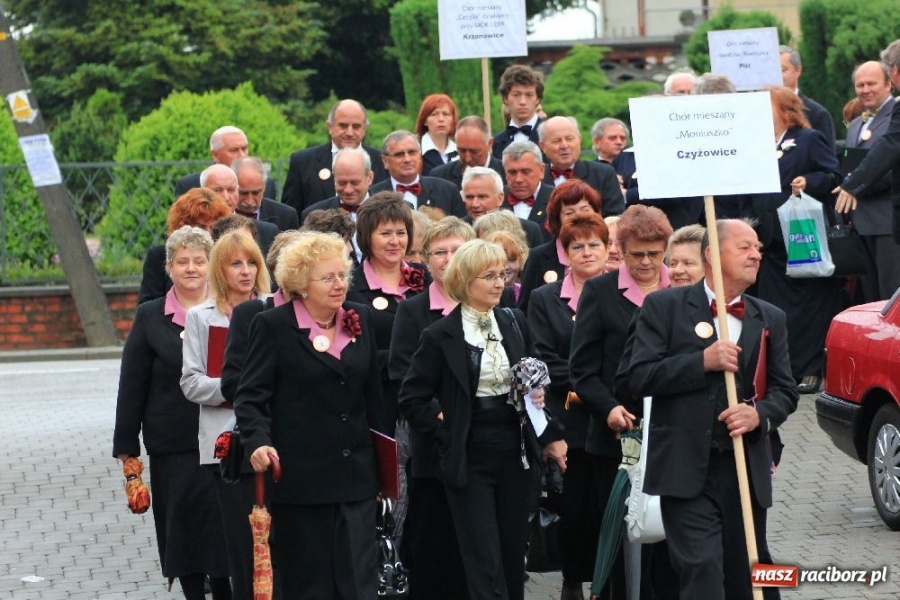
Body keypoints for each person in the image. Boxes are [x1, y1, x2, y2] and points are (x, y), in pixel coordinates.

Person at [625, 219, 798, 600]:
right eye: (744, 247)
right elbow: (638, 377)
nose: (756, 255)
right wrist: (700, 362)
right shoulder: (664, 307)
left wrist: (759, 415)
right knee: (701, 568)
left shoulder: (770, 317)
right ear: (712, 256)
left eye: (757, 248)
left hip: (744, 470)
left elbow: (786, 391)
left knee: (744, 577)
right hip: (685, 469)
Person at [398, 239, 567, 600]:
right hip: (469, 450)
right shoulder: (439, 334)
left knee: (511, 554)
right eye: (488, 276)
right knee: (482, 555)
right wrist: (445, 426)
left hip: (515, 449)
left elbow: (535, 374)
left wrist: (542, 410)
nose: (499, 283)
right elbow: (412, 397)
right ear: (465, 280)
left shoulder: (513, 321)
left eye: (502, 275)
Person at [234, 232, 387, 598]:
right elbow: (251, 397)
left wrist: (385, 472)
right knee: (309, 586)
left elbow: (375, 398)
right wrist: (257, 441)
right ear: (302, 284)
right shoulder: (272, 325)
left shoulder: (359, 318)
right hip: (302, 484)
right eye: (327, 278)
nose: (339, 284)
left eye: (342, 275)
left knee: (360, 586)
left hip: (356, 480)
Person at [113, 226, 231, 600]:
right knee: (182, 531)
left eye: (199, 261)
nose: (191, 268)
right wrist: (127, 451)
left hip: (224, 438)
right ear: (169, 267)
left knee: (221, 530)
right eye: (182, 262)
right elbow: (132, 384)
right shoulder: (150, 316)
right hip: (173, 444)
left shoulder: (229, 310)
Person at [569, 204, 673, 600]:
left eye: (654, 254)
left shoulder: (682, 290)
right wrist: (608, 407)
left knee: (669, 540)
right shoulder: (600, 292)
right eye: (636, 254)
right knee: (619, 542)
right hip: (615, 438)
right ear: (621, 251)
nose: (646, 262)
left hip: (670, 434)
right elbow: (582, 369)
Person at [388, 217, 476, 600]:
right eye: (439, 252)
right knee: (434, 548)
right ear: (425, 260)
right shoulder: (413, 311)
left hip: (486, 447)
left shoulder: (495, 304)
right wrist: (447, 416)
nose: (448, 259)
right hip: (434, 447)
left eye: (457, 250)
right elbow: (402, 374)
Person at [180, 229, 271, 599]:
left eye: (252, 263)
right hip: (226, 444)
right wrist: (236, 388)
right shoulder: (200, 317)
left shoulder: (272, 309)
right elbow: (190, 383)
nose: (246, 271)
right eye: (236, 264)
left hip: (269, 437)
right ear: (220, 269)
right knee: (240, 543)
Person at [527, 214, 608, 600]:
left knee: (609, 507)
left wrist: (607, 394)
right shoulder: (545, 298)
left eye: (595, 244)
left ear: (608, 249)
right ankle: (573, 579)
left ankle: (609, 581)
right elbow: (543, 357)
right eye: (578, 246)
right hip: (569, 417)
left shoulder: (618, 293)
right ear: (564, 252)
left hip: (612, 417)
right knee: (574, 509)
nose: (587, 252)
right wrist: (590, 388)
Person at [744, 86, 842, 394]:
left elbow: (833, 175)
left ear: (785, 110)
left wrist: (808, 181)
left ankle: (810, 368)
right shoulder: (755, 143)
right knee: (775, 308)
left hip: (803, 238)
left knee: (810, 307)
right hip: (769, 242)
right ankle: (781, 370)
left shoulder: (808, 139)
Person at [346, 192, 429, 429]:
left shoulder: (426, 277)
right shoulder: (349, 287)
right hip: (379, 403)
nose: (395, 241)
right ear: (366, 237)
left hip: (428, 401)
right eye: (385, 233)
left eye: (401, 233)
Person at [838, 61, 900, 302]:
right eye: (860, 85)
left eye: (871, 84)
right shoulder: (855, 124)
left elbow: (890, 164)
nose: (865, 90)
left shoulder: (895, 116)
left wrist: (855, 185)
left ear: (888, 84)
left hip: (887, 222)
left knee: (890, 294)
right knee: (871, 299)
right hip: (861, 222)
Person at [281, 99, 388, 214]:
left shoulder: (382, 162)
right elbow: (289, 215)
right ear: (329, 126)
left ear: (364, 129)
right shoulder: (303, 162)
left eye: (356, 126)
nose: (349, 132)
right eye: (343, 126)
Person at [517, 179, 604, 311]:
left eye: (585, 210)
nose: (578, 217)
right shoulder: (538, 257)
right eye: (569, 213)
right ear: (557, 219)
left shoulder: (606, 251)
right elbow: (525, 310)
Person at [138, 188, 232, 305]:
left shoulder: (227, 256)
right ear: (182, 225)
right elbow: (147, 305)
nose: (208, 233)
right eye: (201, 227)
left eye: (213, 227)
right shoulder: (159, 256)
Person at [538, 116, 625, 217]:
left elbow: (614, 217)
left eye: (569, 139)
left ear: (579, 139)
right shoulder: (536, 177)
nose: (564, 145)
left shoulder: (603, 174)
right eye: (557, 141)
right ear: (543, 146)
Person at [368, 130, 467, 218]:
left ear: (420, 155)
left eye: (412, 152)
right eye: (399, 154)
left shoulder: (447, 190)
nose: (407, 159)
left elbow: (462, 229)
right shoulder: (373, 196)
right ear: (385, 160)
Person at [174, 125, 277, 200]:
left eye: (244, 149)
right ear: (215, 155)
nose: (242, 155)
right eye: (234, 150)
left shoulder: (265, 183)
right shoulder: (190, 185)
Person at [203, 163, 279, 255]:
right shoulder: (195, 229)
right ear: (202, 191)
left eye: (231, 190)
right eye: (217, 190)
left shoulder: (265, 232)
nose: (226, 197)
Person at [461, 166, 544, 248]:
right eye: (469, 197)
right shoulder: (458, 231)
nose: (475, 204)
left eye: (482, 197)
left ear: (500, 198)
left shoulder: (529, 230)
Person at [780, 45, 836, 151]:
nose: (776, 75)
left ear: (798, 71)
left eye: (782, 70)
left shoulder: (817, 114)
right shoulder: (761, 112)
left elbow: (826, 158)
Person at [431, 116, 507, 190]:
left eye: (474, 151)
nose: (468, 159)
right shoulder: (439, 177)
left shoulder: (507, 174)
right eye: (462, 151)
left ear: (490, 144)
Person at [501, 140, 553, 239]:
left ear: (541, 170)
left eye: (525, 172)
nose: (518, 179)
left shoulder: (557, 200)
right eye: (512, 172)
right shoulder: (495, 199)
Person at [232, 156, 299, 232]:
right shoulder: (222, 214)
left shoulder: (286, 216)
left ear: (264, 187)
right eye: (244, 193)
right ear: (233, 188)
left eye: (255, 193)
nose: (249, 201)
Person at [492, 64, 545, 159]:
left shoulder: (551, 137)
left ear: (537, 99)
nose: (522, 102)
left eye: (529, 95)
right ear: (505, 98)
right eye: (516, 95)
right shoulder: (495, 143)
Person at [415, 93, 459, 176]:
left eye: (445, 114)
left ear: (453, 120)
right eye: (434, 114)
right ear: (425, 121)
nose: (441, 119)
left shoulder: (460, 153)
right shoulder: (415, 152)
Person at [483, 229, 528, 302]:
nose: (506, 267)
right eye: (498, 261)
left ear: (520, 261)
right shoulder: (478, 294)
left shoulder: (526, 294)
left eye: (511, 260)